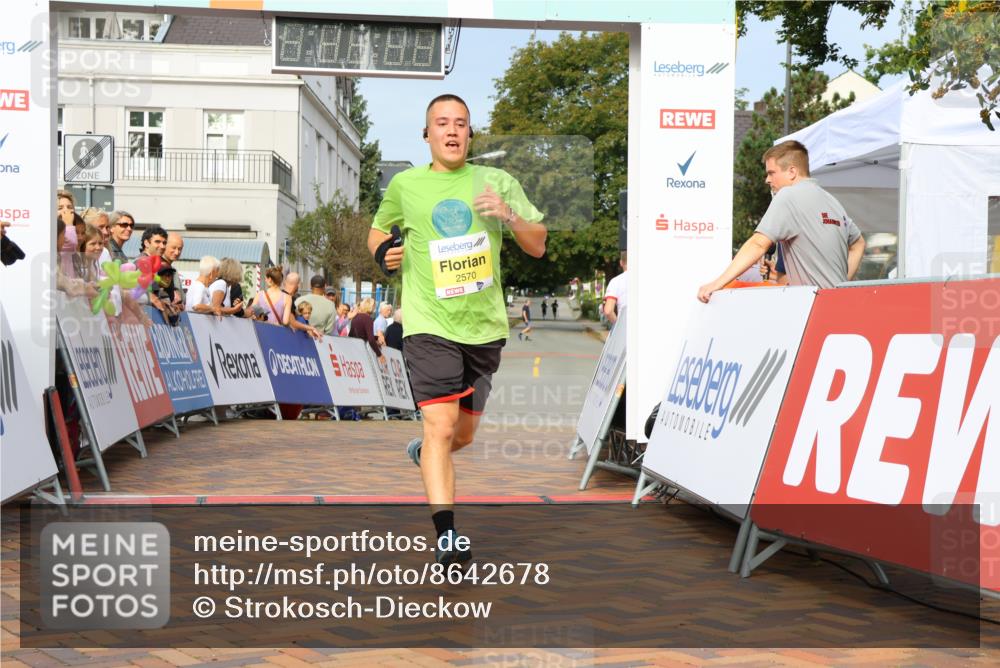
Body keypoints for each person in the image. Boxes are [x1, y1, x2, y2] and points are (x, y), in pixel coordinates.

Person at [368, 93, 546, 566]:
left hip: (483, 326)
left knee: (459, 437)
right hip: (427, 322)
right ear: (427, 134)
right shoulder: (405, 185)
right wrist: (383, 252)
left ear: (470, 134)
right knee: (441, 425)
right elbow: (377, 231)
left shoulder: (496, 181)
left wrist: (507, 215)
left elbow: (538, 245)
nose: (451, 131)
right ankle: (447, 538)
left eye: (461, 124)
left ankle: (423, 452)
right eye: (442, 123)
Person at [698, 140, 867, 303]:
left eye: (771, 173)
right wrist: (839, 285)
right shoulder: (832, 201)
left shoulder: (788, 195)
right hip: (836, 305)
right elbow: (859, 243)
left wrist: (717, 283)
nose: (767, 180)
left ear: (792, 172)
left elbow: (758, 244)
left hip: (811, 308)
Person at [348, 297, 383, 363]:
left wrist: (377, 338)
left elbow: (352, 334)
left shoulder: (355, 317)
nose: (375, 309)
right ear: (371, 306)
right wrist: (379, 354)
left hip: (354, 349)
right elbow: (371, 340)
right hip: (362, 351)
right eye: (374, 306)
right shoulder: (368, 319)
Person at [603, 251, 627, 325]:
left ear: (621, 263)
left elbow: (608, 311)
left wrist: (617, 326)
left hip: (625, 329)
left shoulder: (616, 282)